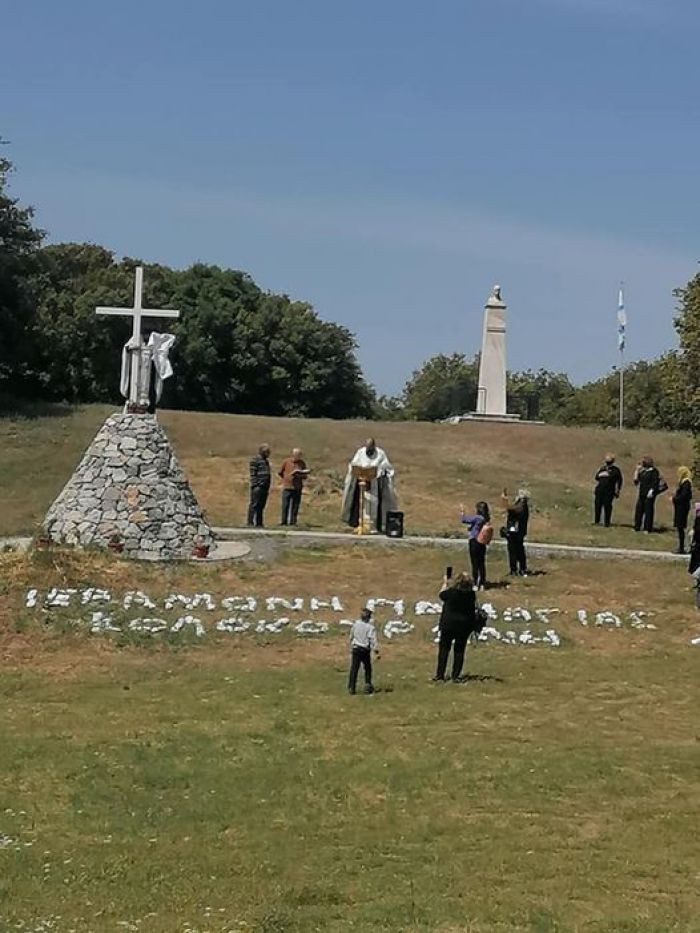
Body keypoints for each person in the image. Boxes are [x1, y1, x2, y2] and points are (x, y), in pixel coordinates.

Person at [341, 437, 397, 533]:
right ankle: (360, 524)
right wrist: (358, 470)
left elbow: (386, 467)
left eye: (371, 449)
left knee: (373, 504)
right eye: (368, 449)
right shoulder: (361, 452)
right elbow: (354, 464)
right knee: (361, 504)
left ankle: (373, 526)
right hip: (361, 483)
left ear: (374, 447)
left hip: (375, 484)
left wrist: (379, 472)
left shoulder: (380, 454)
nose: (369, 452)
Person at [432, 571, 477, 683]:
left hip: (448, 625)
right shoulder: (471, 595)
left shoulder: (451, 593)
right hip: (464, 626)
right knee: (459, 650)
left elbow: (441, 595)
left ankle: (440, 675)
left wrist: (446, 583)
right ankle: (455, 675)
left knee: (444, 649)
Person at [459, 501, 493, 590]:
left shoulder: (477, 518)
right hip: (482, 542)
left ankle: (475, 583)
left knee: (474, 563)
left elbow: (464, 520)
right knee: (481, 563)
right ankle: (482, 583)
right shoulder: (486, 519)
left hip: (474, 541)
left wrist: (462, 512)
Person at [347, 608, 380, 695]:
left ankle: (351, 687)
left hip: (356, 648)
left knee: (354, 669)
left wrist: (351, 644)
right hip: (365, 650)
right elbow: (372, 639)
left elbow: (351, 635)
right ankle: (367, 685)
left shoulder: (356, 624)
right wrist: (376, 649)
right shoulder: (370, 627)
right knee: (367, 668)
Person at [278, 448, 310, 526]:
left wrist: (300, 474)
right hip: (287, 487)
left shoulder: (302, 463)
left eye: (299, 455)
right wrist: (286, 478)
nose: (298, 457)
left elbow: (305, 476)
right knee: (285, 505)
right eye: (296, 455)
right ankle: (283, 522)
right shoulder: (286, 462)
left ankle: (293, 522)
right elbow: (280, 472)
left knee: (295, 505)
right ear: (292, 454)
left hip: (297, 487)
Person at [502, 488, 530, 576]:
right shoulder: (521, 505)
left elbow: (511, 509)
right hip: (516, 531)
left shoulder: (522, 505)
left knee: (515, 551)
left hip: (516, 532)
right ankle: (518, 569)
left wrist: (504, 500)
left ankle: (517, 569)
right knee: (516, 550)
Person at [633, 457, 665, 533]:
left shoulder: (654, 471)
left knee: (648, 511)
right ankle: (637, 527)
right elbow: (636, 481)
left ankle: (647, 528)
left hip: (649, 495)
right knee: (639, 510)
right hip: (642, 493)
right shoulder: (643, 471)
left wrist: (652, 491)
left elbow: (655, 483)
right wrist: (637, 470)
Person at [593, 454, 623, 527]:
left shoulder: (615, 470)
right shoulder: (602, 468)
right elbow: (597, 477)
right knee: (597, 505)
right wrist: (602, 474)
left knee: (607, 506)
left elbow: (619, 480)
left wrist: (618, 490)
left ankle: (607, 522)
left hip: (609, 490)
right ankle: (596, 521)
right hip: (600, 489)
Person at [247, 444, 271, 527]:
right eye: (267, 452)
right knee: (254, 504)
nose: (269, 454)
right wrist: (256, 484)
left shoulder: (265, 461)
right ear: (262, 452)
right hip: (258, 487)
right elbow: (253, 473)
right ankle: (250, 522)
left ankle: (259, 523)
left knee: (261, 506)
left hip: (265, 486)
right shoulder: (255, 460)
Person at [672, 466, 693, 554]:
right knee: (679, 527)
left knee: (680, 527)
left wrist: (675, 499)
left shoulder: (686, 483)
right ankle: (680, 546)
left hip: (682, 508)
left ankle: (681, 547)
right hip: (680, 507)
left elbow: (684, 496)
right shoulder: (683, 482)